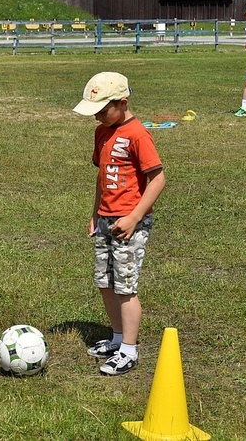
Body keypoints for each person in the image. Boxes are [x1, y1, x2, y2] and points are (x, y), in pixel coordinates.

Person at [72, 72, 166, 376]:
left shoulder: (138, 134)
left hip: (130, 222)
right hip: (106, 218)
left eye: (101, 110)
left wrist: (134, 216)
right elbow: (102, 177)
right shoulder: (102, 132)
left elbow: (158, 179)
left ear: (122, 103)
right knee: (105, 282)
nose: (97, 116)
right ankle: (115, 338)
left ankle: (129, 350)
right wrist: (95, 213)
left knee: (125, 287)